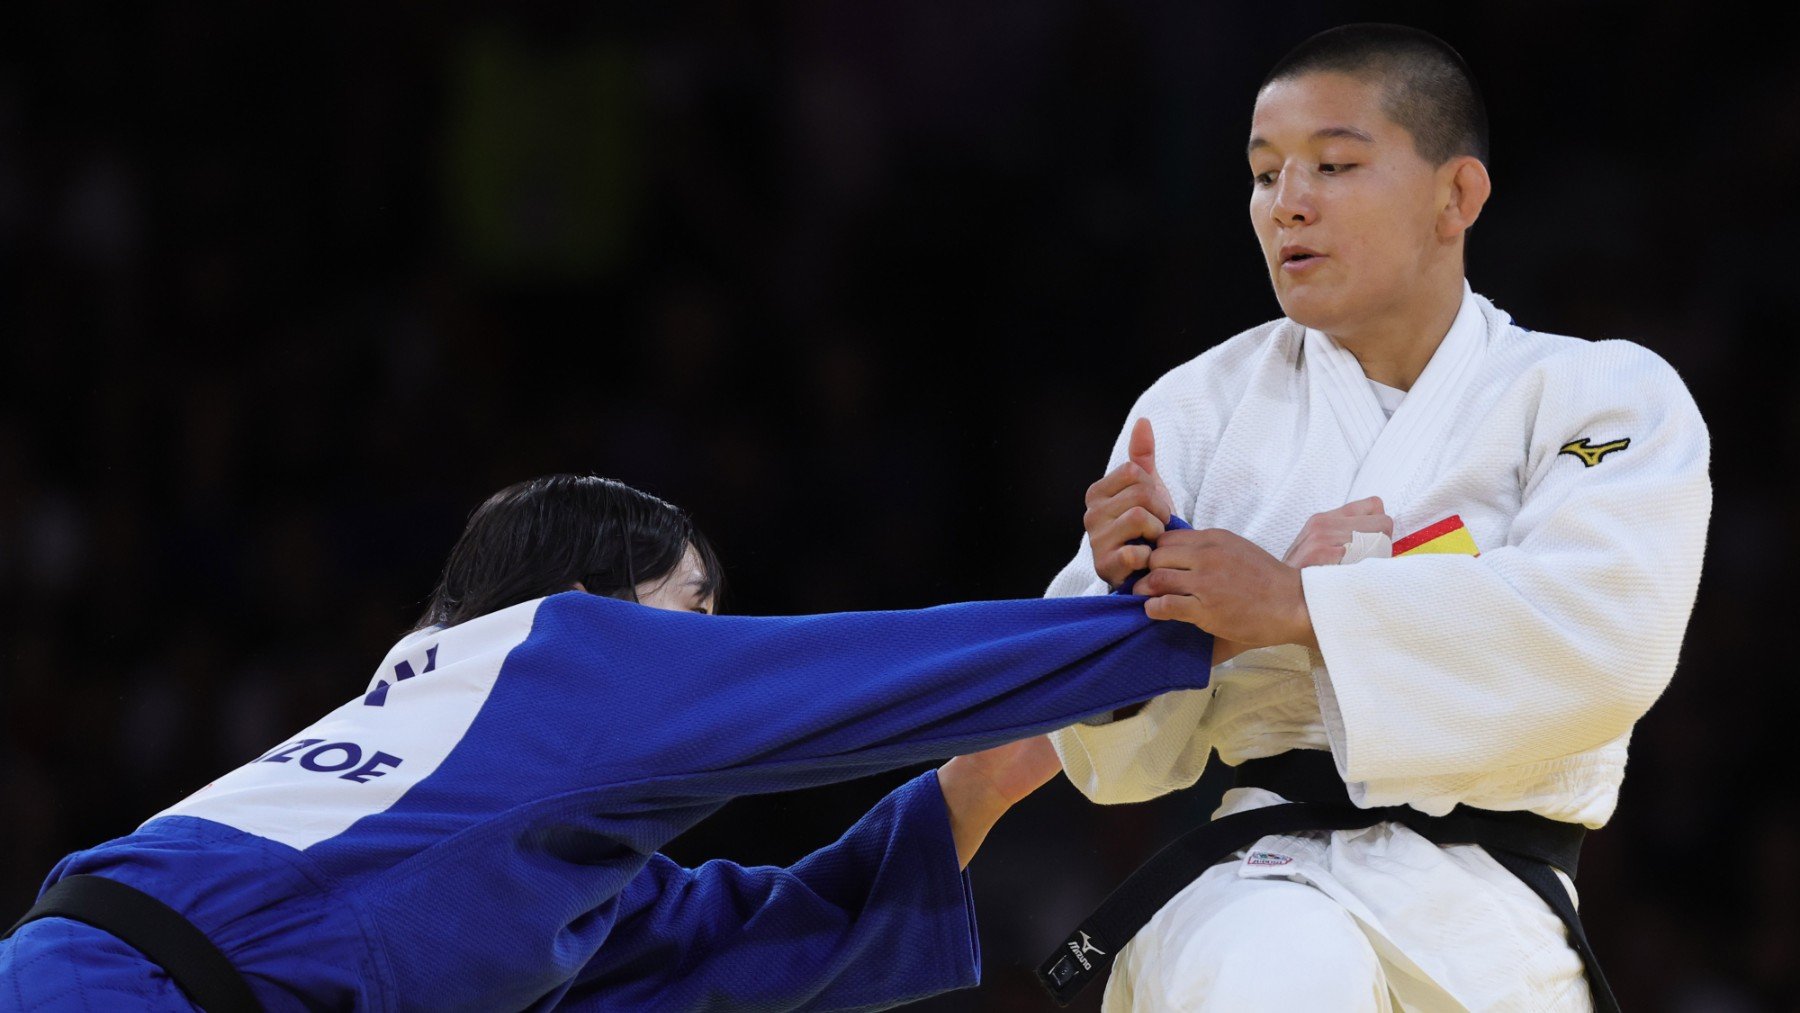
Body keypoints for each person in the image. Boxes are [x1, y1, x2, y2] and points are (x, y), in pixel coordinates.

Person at [1041, 23, 1710, 1012]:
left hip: (1499, 924)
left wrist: (1299, 606)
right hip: (1260, 890)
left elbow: (1605, 629)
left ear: (1458, 196)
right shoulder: (1193, 414)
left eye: (1335, 164)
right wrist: (1120, 600)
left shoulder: (1597, 399)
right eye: (1265, 174)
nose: (1288, 203)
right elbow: (1120, 765)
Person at [1, 474, 1216, 1012]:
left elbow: (729, 945)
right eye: (693, 613)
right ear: (591, 593)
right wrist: (1173, 618)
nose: (708, 652)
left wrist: (980, 780)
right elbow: (871, 676)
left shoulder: (483, 789)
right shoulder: (558, 656)